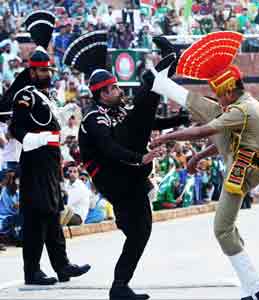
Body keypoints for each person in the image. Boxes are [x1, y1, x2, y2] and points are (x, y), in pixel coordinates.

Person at [147, 31, 259, 300]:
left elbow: (203, 131)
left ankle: (257, 289)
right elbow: (224, 140)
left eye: (219, 93)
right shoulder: (247, 106)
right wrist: (198, 157)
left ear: (229, 90)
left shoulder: (241, 111)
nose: (218, 98)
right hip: (247, 163)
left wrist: (168, 136)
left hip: (242, 171)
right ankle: (251, 289)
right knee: (230, 230)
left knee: (222, 230)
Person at [63, 32, 188, 300]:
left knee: (141, 231)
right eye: (113, 89)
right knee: (145, 102)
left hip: (130, 178)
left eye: (117, 87)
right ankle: (159, 70)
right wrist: (139, 158)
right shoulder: (93, 119)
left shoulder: (118, 111)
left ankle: (120, 285)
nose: (118, 91)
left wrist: (179, 119)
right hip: (114, 176)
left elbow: (146, 123)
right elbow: (109, 148)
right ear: (102, 93)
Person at [6, 11, 90, 285]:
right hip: (34, 163)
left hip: (51, 163)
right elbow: (17, 129)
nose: (47, 75)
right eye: (42, 70)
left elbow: (53, 124)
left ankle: (62, 266)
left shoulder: (45, 96)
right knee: (35, 218)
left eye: (49, 70)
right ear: (32, 71)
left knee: (53, 215)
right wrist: (43, 138)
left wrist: (64, 116)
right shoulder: (26, 96)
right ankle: (32, 271)